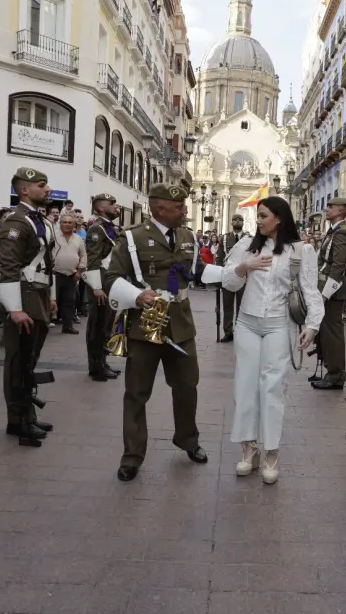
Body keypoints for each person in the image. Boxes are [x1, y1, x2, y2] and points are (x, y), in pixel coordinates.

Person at [102, 182, 223, 481]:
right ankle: (132, 455)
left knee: (187, 387)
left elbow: (196, 272)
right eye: (179, 207)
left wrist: (236, 272)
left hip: (181, 324)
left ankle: (188, 440)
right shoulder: (132, 238)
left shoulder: (187, 236)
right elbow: (112, 277)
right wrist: (137, 295)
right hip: (145, 325)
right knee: (137, 392)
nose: (184, 211)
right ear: (160, 208)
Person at [222, 197, 323, 483]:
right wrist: (246, 267)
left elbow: (309, 290)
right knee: (245, 385)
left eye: (263, 215)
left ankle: (271, 452)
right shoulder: (246, 246)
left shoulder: (301, 251)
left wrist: (313, 325)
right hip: (247, 323)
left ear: (279, 218)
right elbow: (228, 282)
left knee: (272, 387)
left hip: (280, 324)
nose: (259, 220)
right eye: (259, 215)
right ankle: (248, 448)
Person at [0, 167, 57, 444]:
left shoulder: (38, 219)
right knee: (18, 361)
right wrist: (14, 308)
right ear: (25, 190)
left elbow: (47, 263)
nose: (47, 189)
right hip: (23, 294)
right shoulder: (16, 221)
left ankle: (27, 414)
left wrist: (50, 297)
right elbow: (9, 267)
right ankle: (17, 420)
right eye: (42, 185)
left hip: (38, 294)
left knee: (30, 360)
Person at [311, 197, 346, 391]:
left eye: (331, 207)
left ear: (340, 211)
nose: (326, 209)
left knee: (333, 334)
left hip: (333, 291)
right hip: (326, 286)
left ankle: (336, 375)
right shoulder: (334, 231)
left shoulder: (341, 233)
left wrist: (325, 294)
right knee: (326, 333)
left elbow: (338, 266)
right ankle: (330, 370)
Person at [84, 193, 123, 381]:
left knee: (107, 324)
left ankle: (103, 361)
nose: (116, 206)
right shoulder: (96, 230)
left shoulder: (110, 228)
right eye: (112, 203)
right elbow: (92, 260)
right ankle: (96, 366)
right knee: (97, 325)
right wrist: (96, 287)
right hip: (100, 284)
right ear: (100, 208)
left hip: (109, 283)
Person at [215, 213, 247, 342]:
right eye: (235, 219)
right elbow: (219, 256)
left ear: (243, 222)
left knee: (242, 306)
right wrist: (218, 273)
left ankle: (240, 331)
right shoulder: (224, 238)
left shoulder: (248, 238)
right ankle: (228, 332)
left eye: (240, 219)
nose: (238, 221)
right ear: (231, 222)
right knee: (227, 306)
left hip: (243, 277)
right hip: (228, 276)